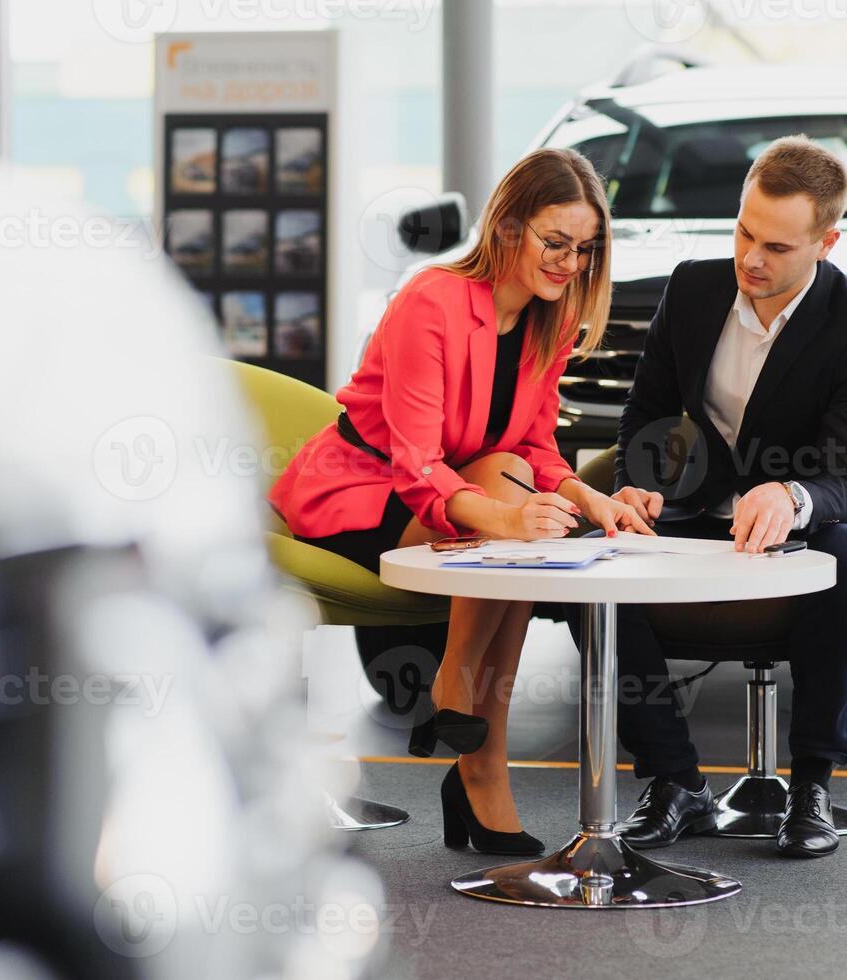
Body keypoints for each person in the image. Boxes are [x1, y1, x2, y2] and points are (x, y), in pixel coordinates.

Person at [269, 147, 654, 856]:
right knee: (513, 517)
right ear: (507, 226)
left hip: (461, 495)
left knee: (516, 484)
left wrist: (587, 497)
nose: (569, 264)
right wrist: (509, 516)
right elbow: (416, 464)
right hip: (360, 489)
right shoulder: (432, 299)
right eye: (555, 242)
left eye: (584, 249)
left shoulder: (550, 314)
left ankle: (464, 726)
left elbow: (536, 452)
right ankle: (471, 748)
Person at [594, 135, 847, 858]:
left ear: (826, 242)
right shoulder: (693, 289)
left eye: (776, 247)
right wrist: (633, 486)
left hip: (797, 529)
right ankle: (674, 782)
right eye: (742, 231)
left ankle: (812, 785)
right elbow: (645, 414)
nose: (751, 258)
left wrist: (791, 495)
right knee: (595, 564)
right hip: (694, 514)